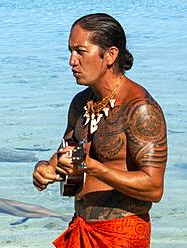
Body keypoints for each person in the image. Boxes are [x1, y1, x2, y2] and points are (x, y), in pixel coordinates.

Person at [32, 13, 167, 247]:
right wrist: (45, 167)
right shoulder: (81, 103)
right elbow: (68, 152)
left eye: (80, 52)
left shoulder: (141, 110)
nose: (71, 61)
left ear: (110, 55)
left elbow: (154, 188)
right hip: (80, 227)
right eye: (70, 51)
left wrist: (92, 168)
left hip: (122, 234)